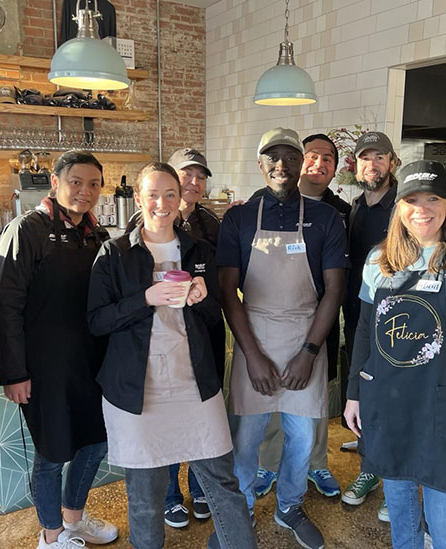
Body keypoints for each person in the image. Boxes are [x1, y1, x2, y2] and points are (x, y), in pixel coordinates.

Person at [87, 162, 256, 549]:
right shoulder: (113, 254)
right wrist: (144, 299)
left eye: (170, 194)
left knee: (223, 486)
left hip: (194, 384)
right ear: (138, 198)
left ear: (180, 200)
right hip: (136, 392)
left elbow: (215, 316)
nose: (161, 203)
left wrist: (200, 299)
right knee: (146, 498)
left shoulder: (199, 249)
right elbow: (97, 320)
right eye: (152, 194)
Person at [344, 160, 446, 548]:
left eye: (432, 198)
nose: (422, 208)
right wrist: (354, 392)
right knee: (401, 518)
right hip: (389, 404)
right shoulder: (378, 259)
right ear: (399, 206)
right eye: (411, 199)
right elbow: (365, 332)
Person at [218, 128, 347, 549]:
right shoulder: (238, 218)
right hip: (253, 333)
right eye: (272, 156)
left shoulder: (326, 219)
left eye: (291, 156)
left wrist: (310, 352)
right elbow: (227, 290)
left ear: (302, 162)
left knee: (303, 438)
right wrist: (252, 356)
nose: (281, 164)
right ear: (260, 163)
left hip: (306, 335)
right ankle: (240, 516)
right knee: (247, 439)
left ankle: (289, 505)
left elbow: (334, 291)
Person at [0, 151, 118, 549]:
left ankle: (74, 521)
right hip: (45, 367)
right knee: (51, 453)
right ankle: (50, 536)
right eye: (76, 182)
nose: (85, 192)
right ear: (55, 181)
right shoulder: (27, 230)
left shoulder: (97, 234)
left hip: (91, 363)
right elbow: (7, 306)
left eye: (94, 184)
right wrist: (14, 373)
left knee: (95, 442)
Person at [249, 133, 351, 500]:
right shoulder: (256, 209)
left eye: (328, 158)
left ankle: (316, 465)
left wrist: (313, 343)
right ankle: (268, 465)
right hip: (267, 327)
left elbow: (337, 282)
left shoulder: (339, 212)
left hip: (316, 322)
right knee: (270, 405)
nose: (318, 164)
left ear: (336, 168)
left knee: (312, 408)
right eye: (312, 156)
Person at [126, 148, 222, 528]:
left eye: (199, 177)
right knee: (163, 428)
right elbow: (106, 313)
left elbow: (217, 304)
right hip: (149, 356)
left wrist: (203, 298)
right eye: (186, 177)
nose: (192, 184)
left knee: (198, 429)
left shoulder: (208, 232)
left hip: (198, 348)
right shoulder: (126, 244)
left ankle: (199, 490)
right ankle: (169, 496)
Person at [340, 131, 399, 520]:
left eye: (379, 158)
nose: (372, 165)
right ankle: (370, 453)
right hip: (359, 316)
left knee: (392, 399)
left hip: (397, 322)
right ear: (356, 166)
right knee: (364, 391)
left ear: (392, 163)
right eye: (365, 159)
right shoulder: (356, 207)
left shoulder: (403, 207)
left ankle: (381, 475)